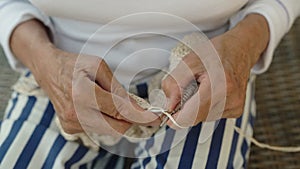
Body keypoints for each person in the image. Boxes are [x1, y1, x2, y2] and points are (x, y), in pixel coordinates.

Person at [0, 0, 299, 168]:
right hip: (60, 69)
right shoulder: (53, 68)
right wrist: (42, 61)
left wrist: (245, 45)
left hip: (205, 73)